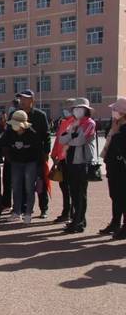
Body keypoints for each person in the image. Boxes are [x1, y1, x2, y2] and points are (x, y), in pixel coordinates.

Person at [59, 98, 96, 233]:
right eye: (75, 109)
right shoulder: (74, 123)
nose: (77, 111)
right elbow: (62, 139)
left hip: (82, 162)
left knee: (80, 193)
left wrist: (70, 139)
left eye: (80, 108)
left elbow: (80, 140)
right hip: (71, 161)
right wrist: (71, 136)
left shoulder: (89, 123)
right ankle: (77, 219)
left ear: (86, 110)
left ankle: (78, 221)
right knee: (74, 192)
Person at [2, 110, 42, 224]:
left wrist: (39, 171)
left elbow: (38, 152)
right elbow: (3, 144)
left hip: (30, 163)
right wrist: (8, 157)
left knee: (29, 189)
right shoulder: (9, 132)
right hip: (16, 163)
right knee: (16, 188)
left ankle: (28, 213)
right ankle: (16, 212)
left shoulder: (33, 134)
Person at [17, 90, 51, 218]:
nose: (22, 101)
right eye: (21, 99)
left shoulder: (40, 115)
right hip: (21, 156)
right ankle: (26, 209)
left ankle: (44, 209)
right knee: (24, 184)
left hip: (37, 155)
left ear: (32, 100)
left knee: (40, 183)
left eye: (25, 99)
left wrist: (46, 152)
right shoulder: (16, 115)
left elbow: (46, 135)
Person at [101, 98, 126, 239]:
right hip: (113, 166)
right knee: (115, 196)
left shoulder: (123, 129)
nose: (113, 112)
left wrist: (116, 133)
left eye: (116, 110)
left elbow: (121, 147)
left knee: (122, 197)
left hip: (121, 168)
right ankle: (115, 222)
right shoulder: (114, 124)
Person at [51, 99, 76, 224]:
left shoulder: (76, 123)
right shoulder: (63, 122)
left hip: (71, 160)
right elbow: (58, 140)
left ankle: (71, 213)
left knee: (71, 188)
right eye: (64, 107)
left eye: (68, 107)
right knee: (64, 187)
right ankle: (66, 212)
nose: (65, 110)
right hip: (61, 159)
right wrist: (54, 154)